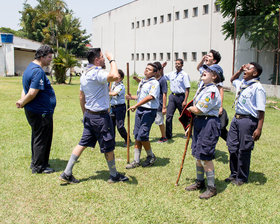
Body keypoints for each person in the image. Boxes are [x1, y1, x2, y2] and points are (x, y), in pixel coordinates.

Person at [59, 48, 129, 184]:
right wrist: (112, 59)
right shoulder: (97, 73)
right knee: (108, 146)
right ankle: (114, 175)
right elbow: (115, 76)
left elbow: (81, 96)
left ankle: (67, 172)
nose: (104, 59)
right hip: (101, 117)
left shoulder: (84, 73)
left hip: (90, 115)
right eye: (102, 57)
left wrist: (85, 114)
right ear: (97, 59)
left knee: (82, 143)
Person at [185, 64, 224, 199]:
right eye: (204, 70)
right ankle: (200, 182)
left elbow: (198, 110)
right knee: (198, 155)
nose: (204, 72)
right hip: (200, 122)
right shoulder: (203, 88)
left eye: (208, 71)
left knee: (205, 156)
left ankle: (211, 188)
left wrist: (189, 109)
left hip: (209, 123)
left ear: (214, 76)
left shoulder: (212, 91)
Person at [16, 45, 56, 174]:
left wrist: (23, 101)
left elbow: (25, 89)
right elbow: (32, 92)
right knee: (42, 138)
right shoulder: (37, 71)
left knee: (37, 136)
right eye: (49, 57)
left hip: (34, 110)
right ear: (42, 57)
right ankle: (39, 166)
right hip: (41, 112)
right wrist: (23, 101)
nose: (50, 60)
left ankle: (38, 162)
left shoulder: (29, 68)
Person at [226, 62, 266, 186]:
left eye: (248, 69)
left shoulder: (257, 88)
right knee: (232, 147)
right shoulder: (242, 83)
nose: (245, 70)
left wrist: (259, 128)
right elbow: (232, 80)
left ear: (255, 73)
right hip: (236, 119)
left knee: (244, 149)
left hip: (248, 121)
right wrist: (239, 70)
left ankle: (241, 177)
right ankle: (234, 173)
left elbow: (261, 110)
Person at [125, 63, 160, 169]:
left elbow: (150, 97)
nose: (146, 70)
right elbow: (141, 97)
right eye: (146, 68)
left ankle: (151, 156)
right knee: (137, 135)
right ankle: (136, 160)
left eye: (149, 69)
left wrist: (135, 105)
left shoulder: (155, 83)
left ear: (154, 73)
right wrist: (131, 98)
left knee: (143, 135)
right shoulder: (143, 82)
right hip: (140, 110)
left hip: (149, 112)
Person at [197, 49, 228, 141]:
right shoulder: (206, 69)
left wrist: (221, 106)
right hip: (204, 100)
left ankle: (231, 143)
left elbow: (220, 89)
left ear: (214, 61)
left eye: (209, 56)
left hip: (211, 102)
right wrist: (203, 60)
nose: (207, 57)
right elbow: (198, 68)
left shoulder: (215, 72)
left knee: (215, 128)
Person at [164, 59, 191, 140]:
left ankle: (188, 133)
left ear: (182, 65)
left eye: (179, 64)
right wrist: (162, 67)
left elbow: (187, 88)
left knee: (183, 116)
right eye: (176, 63)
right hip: (172, 96)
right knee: (168, 116)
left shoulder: (184, 75)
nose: (177, 65)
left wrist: (185, 100)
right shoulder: (171, 74)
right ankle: (168, 135)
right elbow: (162, 76)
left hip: (181, 97)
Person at [109, 69, 129, 146]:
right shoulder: (113, 84)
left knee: (120, 126)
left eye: (118, 77)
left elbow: (114, 93)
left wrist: (105, 93)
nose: (116, 78)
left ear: (121, 78)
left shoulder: (121, 86)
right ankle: (112, 140)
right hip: (112, 107)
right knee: (111, 125)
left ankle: (127, 139)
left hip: (120, 108)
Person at [154, 62, 168, 143]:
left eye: (156, 70)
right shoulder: (153, 79)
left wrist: (164, 107)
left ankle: (164, 137)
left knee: (160, 121)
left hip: (159, 105)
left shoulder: (162, 80)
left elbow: (164, 93)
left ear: (159, 70)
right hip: (152, 104)